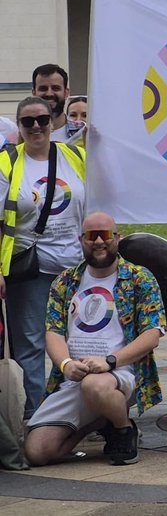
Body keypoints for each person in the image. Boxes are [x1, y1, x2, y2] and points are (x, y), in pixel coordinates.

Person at [23, 211, 165, 467]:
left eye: (106, 235)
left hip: (121, 375)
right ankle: (100, 421)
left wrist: (110, 361)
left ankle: (123, 430)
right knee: (37, 451)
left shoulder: (139, 278)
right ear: (81, 240)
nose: (99, 242)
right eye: (91, 236)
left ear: (117, 238)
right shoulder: (64, 282)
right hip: (75, 378)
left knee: (95, 386)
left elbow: (152, 334)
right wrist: (66, 364)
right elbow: (53, 332)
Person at [0, 96, 87, 418]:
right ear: (20, 126)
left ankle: (78, 412)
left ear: (53, 120)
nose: (36, 126)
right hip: (29, 269)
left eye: (42, 119)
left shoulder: (76, 155)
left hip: (76, 268)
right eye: (27, 121)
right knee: (31, 346)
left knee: (80, 342)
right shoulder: (7, 163)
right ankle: (37, 416)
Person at [31, 64, 79, 143]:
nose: (49, 94)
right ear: (34, 93)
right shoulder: (22, 134)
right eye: (43, 89)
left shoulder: (82, 134)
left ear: (66, 93)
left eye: (56, 88)